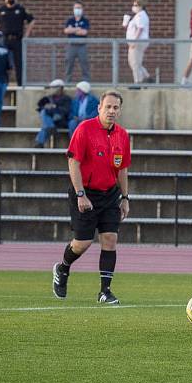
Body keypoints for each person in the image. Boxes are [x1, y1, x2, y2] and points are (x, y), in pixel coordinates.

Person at [53, 90, 131, 305]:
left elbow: (122, 169)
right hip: (85, 192)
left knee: (110, 239)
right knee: (83, 243)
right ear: (99, 108)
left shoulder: (122, 135)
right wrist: (80, 194)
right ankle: (63, 267)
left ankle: (105, 291)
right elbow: (73, 162)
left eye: (116, 107)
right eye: (108, 107)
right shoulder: (84, 129)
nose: (112, 111)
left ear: (120, 110)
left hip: (110, 195)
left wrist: (125, 198)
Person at [0, 0, 35, 85]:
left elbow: (32, 20)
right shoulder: (1, 10)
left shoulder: (21, 9)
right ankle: (3, 82)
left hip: (17, 40)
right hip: (4, 40)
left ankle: (20, 84)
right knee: (2, 62)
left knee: (19, 63)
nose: (10, 0)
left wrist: (26, 34)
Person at [34, 79, 72, 148]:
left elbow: (65, 111)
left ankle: (40, 142)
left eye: (54, 87)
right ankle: (51, 127)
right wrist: (46, 107)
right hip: (50, 119)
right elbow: (40, 106)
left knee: (46, 124)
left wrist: (53, 107)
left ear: (60, 88)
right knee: (43, 112)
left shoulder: (66, 98)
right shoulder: (49, 98)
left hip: (60, 120)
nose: (52, 89)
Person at [122, 0, 151, 85]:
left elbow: (140, 29)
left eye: (135, 5)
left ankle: (138, 82)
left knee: (135, 63)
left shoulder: (141, 15)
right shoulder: (137, 16)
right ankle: (147, 77)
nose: (133, 7)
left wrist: (134, 41)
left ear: (141, 6)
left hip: (138, 42)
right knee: (134, 62)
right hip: (135, 42)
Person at [63, 1, 91, 83]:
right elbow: (66, 31)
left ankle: (86, 82)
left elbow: (84, 32)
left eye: (79, 8)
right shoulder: (70, 20)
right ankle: (67, 82)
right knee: (69, 64)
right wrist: (77, 29)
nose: (77, 10)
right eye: (76, 8)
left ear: (82, 9)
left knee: (84, 64)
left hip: (82, 45)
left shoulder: (85, 20)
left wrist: (72, 29)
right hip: (71, 45)